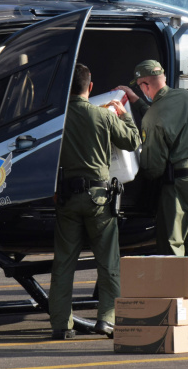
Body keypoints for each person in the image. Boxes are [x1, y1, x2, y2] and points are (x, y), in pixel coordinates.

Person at [48, 63, 141, 340]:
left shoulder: (56, 120)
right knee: (108, 261)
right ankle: (107, 319)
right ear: (90, 87)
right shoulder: (103, 117)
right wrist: (124, 117)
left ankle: (60, 325)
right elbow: (132, 141)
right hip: (99, 198)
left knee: (64, 262)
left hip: (66, 198)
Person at [116, 60, 188, 257]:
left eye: (139, 86)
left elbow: (154, 167)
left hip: (182, 186)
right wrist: (136, 100)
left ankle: (174, 289)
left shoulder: (153, 117)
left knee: (172, 247)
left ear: (145, 85)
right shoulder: (185, 97)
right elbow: (163, 116)